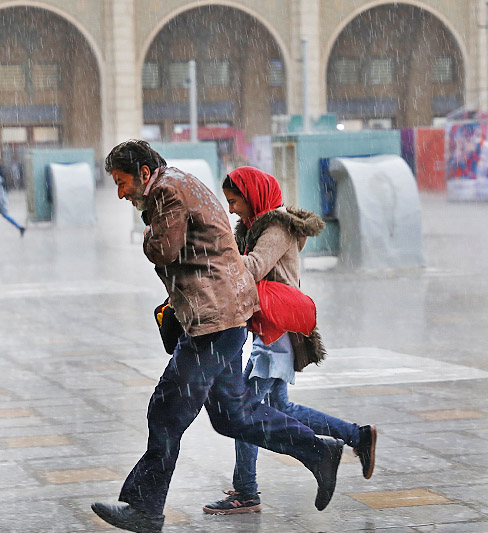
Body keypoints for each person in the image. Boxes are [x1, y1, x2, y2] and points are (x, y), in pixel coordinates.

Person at [92, 141, 345, 533]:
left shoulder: (165, 190)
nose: (120, 192)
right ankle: (319, 450)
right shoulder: (178, 182)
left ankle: (144, 509)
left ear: (144, 173)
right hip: (221, 318)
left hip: (212, 322)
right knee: (234, 416)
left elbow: (163, 248)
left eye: (122, 182)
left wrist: (147, 232)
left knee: (166, 412)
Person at [202, 166, 378, 516]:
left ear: (253, 195)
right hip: (268, 329)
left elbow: (252, 268)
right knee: (281, 408)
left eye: (235, 201)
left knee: (243, 414)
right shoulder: (254, 227)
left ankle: (246, 491)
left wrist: (212, 255)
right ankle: (358, 436)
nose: (232, 209)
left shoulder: (276, 227)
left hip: (277, 332)